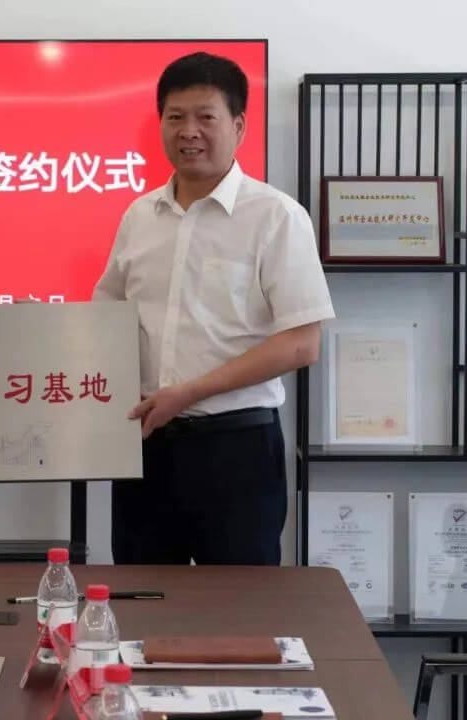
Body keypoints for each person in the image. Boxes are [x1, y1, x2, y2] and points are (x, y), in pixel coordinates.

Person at [93, 52, 334, 565]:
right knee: (143, 597)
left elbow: (301, 343)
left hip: (237, 449)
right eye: (175, 117)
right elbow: (105, 318)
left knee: (238, 604)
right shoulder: (139, 216)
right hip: (147, 447)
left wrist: (187, 394)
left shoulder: (276, 216)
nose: (189, 131)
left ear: (239, 126)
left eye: (206, 117)